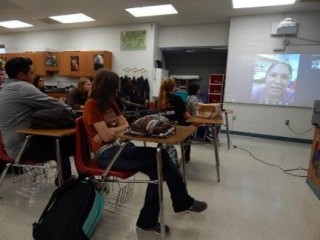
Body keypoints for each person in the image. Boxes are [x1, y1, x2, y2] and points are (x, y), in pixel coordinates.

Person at [83, 69, 207, 235]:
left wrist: (112, 132)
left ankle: (148, 221)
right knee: (160, 155)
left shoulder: (110, 102)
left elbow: (126, 125)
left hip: (121, 147)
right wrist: (111, 132)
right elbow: (106, 136)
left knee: (158, 170)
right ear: (107, 87)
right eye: (114, 87)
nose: (116, 91)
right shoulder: (92, 105)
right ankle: (181, 203)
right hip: (106, 154)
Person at [0, 57, 74, 183]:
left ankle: (65, 178)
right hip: (22, 148)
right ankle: (69, 182)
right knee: (72, 143)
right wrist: (70, 110)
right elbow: (56, 105)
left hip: (10, 146)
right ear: (21, 75)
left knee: (65, 141)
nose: (33, 76)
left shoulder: (5, 88)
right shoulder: (22, 87)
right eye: (32, 73)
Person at [157, 77, 193, 163]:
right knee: (191, 127)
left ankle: (162, 153)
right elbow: (186, 116)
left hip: (163, 128)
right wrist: (195, 119)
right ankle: (186, 157)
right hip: (177, 128)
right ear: (173, 87)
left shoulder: (159, 100)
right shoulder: (178, 99)